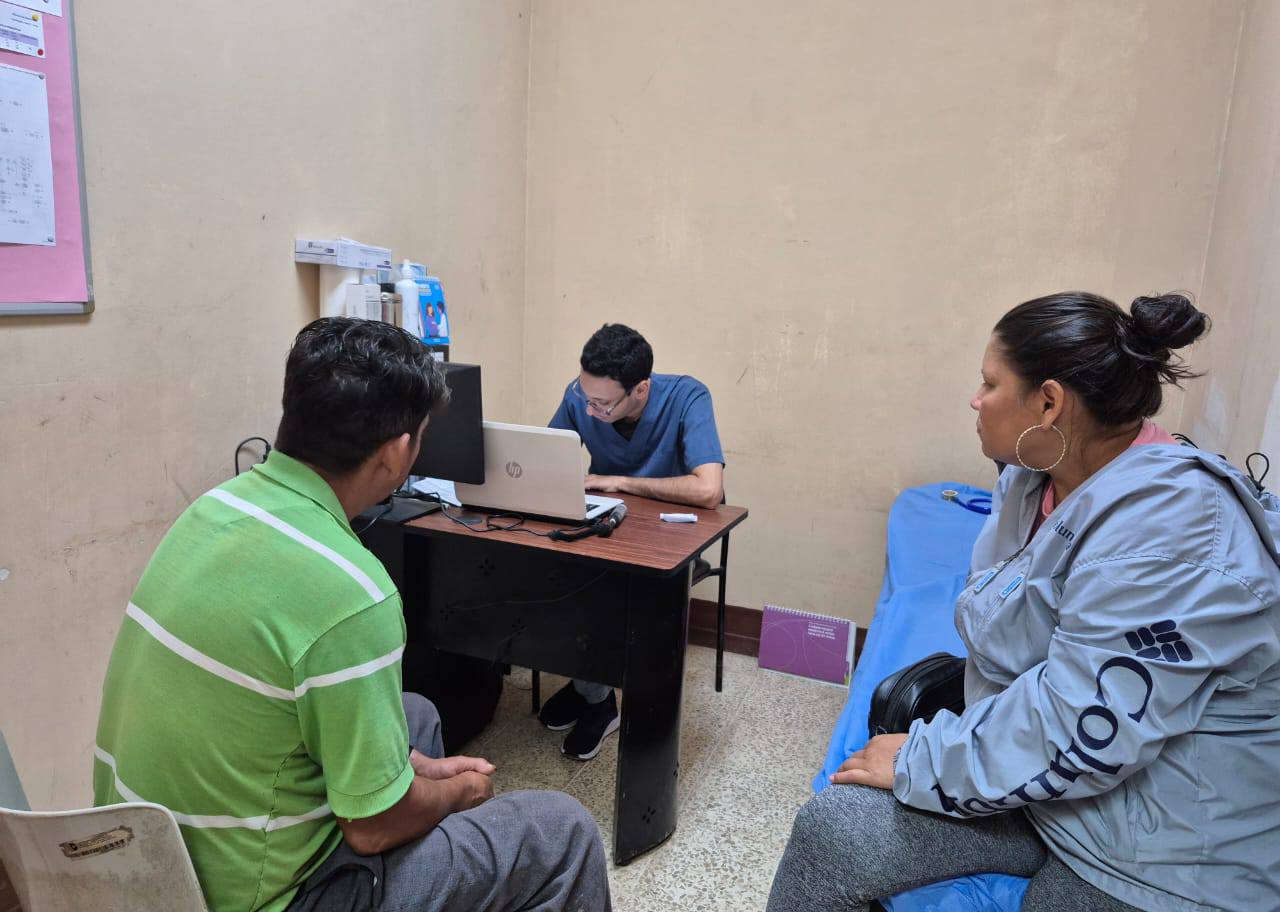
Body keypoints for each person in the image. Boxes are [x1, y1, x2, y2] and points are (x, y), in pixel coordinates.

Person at [768, 292, 1280, 912]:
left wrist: (925, 760)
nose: (976, 400)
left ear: (1049, 403)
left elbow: (1085, 728)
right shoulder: (1033, 478)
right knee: (835, 831)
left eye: (990, 383)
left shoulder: (1172, 532)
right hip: (1047, 787)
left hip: (1155, 840)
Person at [94, 318, 610, 912]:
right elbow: (372, 828)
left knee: (415, 715)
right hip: (265, 898)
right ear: (396, 452)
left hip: (139, 874)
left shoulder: (211, 510)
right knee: (560, 830)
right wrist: (461, 792)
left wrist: (409, 773)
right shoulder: (354, 593)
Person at [538, 323, 726, 760]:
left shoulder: (688, 397)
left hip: (670, 538)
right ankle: (591, 691)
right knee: (549, 570)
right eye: (586, 397)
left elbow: (708, 490)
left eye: (603, 404)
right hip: (605, 528)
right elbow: (545, 459)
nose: (590, 410)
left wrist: (619, 481)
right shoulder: (582, 398)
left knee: (599, 587)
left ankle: (596, 697)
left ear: (641, 389)